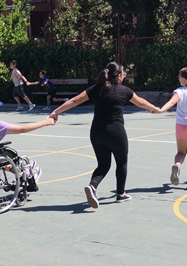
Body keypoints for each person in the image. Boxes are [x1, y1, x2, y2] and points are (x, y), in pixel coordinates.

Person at [50, 62, 160, 208]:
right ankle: (120, 194)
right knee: (121, 162)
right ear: (119, 76)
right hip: (116, 132)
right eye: (124, 74)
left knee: (103, 164)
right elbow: (140, 102)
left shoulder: (96, 89)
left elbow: (75, 100)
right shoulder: (124, 90)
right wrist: (154, 109)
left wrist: (56, 112)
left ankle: (92, 186)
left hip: (96, 132)